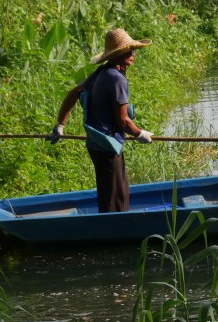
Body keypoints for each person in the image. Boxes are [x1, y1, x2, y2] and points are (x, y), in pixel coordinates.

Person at [48, 28, 154, 213]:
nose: (133, 54)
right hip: (107, 147)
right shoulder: (117, 80)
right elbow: (123, 121)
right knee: (114, 197)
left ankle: (116, 222)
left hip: (97, 144)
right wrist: (140, 134)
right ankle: (113, 230)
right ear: (119, 55)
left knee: (116, 191)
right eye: (129, 51)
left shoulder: (101, 73)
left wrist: (60, 125)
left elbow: (73, 93)